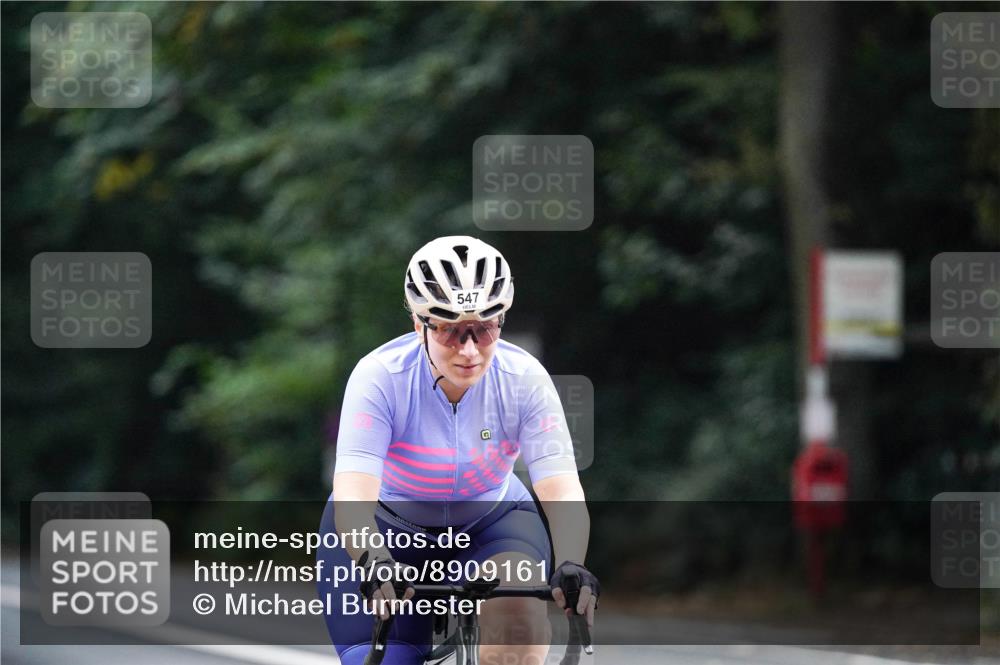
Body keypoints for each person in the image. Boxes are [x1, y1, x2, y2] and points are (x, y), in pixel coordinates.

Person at [317, 236, 599, 665]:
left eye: (484, 328)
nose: (469, 349)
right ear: (419, 323)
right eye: (449, 329)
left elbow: (560, 487)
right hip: (388, 528)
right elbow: (354, 495)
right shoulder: (379, 377)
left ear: (501, 320)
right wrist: (373, 558)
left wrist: (572, 562)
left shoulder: (524, 377)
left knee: (518, 622)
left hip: (494, 524)